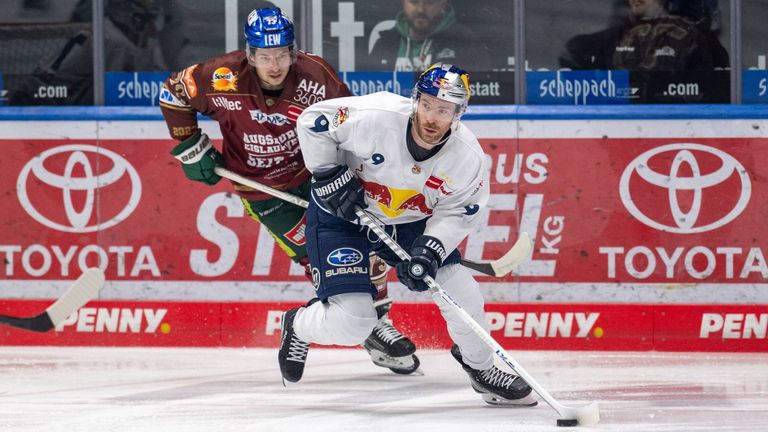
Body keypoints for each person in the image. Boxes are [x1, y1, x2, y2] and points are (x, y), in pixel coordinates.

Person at [159, 7, 420, 375]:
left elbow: (352, 127)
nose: (275, 64)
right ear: (250, 54)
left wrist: (348, 175)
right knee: (317, 260)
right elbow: (173, 94)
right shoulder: (219, 77)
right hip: (263, 192)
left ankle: (378, 323)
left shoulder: (316, 76)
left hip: (318, 177)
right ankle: (360, 324)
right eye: (265, 56)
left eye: (282, 53)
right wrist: (190, 146)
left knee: (365, 247)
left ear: (293, 51)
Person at [279, 62, 536, 406]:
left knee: (461, 289)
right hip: (341, 216)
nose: (432, 117)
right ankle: (298, 324)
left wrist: (430, 249)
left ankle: (482, 369)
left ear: (459, 113)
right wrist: (326, 174)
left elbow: (458, 211)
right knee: (355, 322)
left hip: (406, 222)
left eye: (443, 110)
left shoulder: (467, 158)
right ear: (415, 100)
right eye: (427, 104)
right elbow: (313, 121)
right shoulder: (376, 116)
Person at [8, 0, 192, 105]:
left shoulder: (128, 42)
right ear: (135, 18)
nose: (154, 28)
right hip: (47, 112)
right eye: (150, 19)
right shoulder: (108, 40)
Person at [558, 0, 716, 102]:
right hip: (623, 124)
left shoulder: (694, 37)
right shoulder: (619, 34)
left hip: (673, 124)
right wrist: (597, 94)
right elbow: (572, 52)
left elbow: (714, 94)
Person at [366, 0, 492, 73]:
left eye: (429, 2)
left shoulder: (465, 42)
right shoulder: (385, 43)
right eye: (414, 2)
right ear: (403, 2)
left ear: (443, 3)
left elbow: (481, 93)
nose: (421, 9)